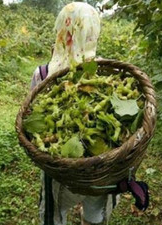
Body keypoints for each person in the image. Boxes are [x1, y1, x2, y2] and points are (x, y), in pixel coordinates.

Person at [29, 3, 119, 225]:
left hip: (59, 170)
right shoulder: (105, 72)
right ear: (93, 32)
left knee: (54, 214)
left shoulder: (42, 74)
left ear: (61, 30)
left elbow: (31, 119)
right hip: (99, 168)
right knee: (95, 216)